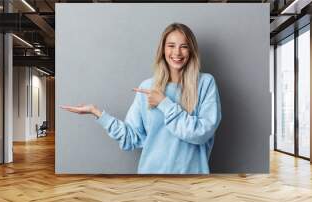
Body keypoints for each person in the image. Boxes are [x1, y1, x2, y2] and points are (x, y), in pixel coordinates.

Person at [61, 23, 221, 174]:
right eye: (171, 46)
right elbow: (132, 137)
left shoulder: (205, 83)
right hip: (151, 180)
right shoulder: (148, 87)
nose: (177, 52)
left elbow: (201, 133)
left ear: (191, 50)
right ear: (163, 50)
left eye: (184, 46)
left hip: (191, 181)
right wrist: (96, 112)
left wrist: (164, 103)